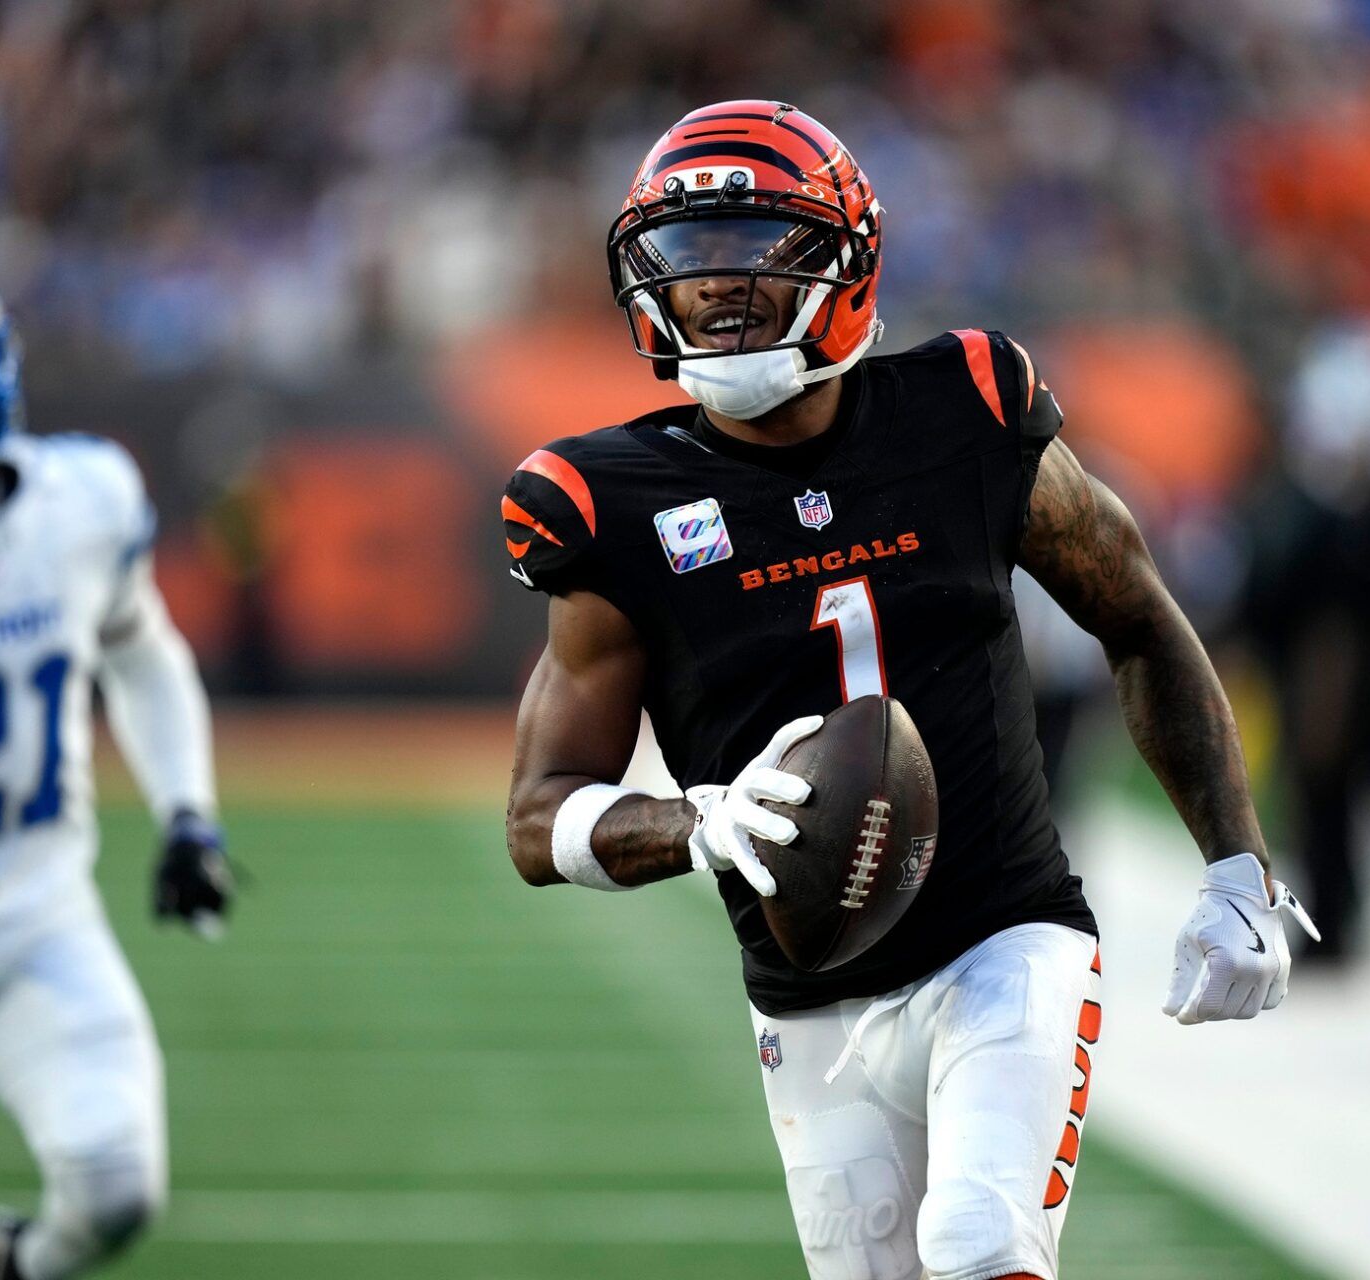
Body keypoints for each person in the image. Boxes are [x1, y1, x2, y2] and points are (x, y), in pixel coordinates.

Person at [501, 102, 1317, 1280]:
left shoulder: (967, 410)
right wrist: (702, 823)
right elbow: (537, 815)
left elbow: (1137, 617)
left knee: (981, 1242)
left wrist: (1238, 860)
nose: (714, 293)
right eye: (684, 264)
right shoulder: (608, 502)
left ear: (844, 269)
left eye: (755, 258)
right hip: (805, 997)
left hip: (1004, 935)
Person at [0, 251, 232, 1280]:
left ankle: (25, 1262)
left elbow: (142, 651)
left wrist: (188, 814)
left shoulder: (77, 504)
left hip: (33, 914)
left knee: (116, 1181)